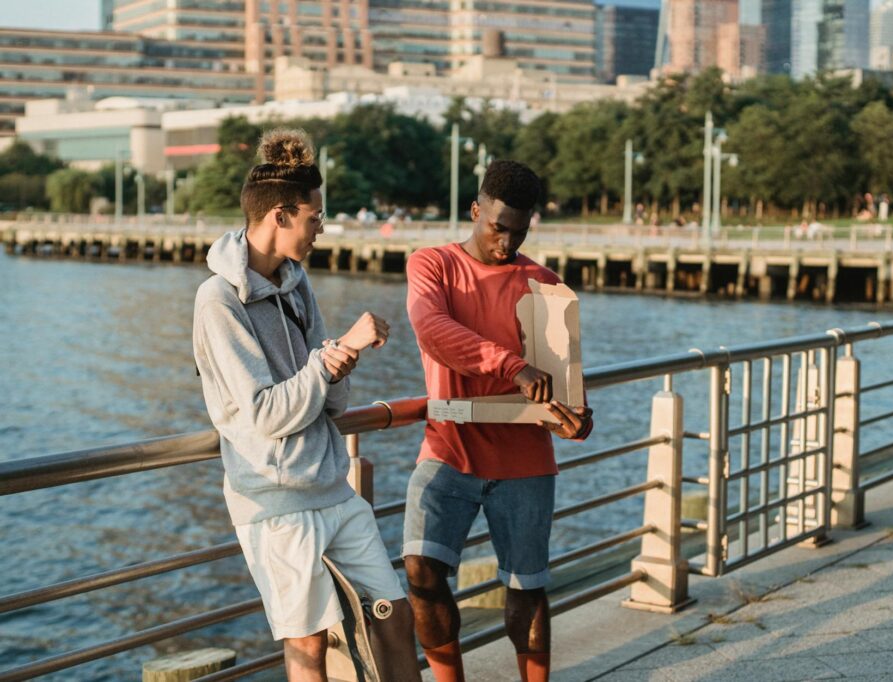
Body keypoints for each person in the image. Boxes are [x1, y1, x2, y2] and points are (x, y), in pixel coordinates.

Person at [192, 128, 420, 682]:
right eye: (315, 217)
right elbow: (266, 414)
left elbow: (333, 405)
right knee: (310, 647)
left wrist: (340, 363)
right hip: (275, 503)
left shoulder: (297, 285)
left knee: (394, 614)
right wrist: (334, 355)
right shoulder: (218, 300)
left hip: (332, 488)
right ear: (280, 216)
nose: (322, 227)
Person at [402, 160, 594, 682]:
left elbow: (566, 392)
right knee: (420, 572)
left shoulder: (544, 284)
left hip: (525, 461)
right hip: (447, 449)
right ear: (475, 210)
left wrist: (574, 422)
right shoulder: (432, 265)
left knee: (527, 590)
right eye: (497, 227)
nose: (506, 242)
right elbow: (431, 330)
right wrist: (512, 366)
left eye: (519, 230)